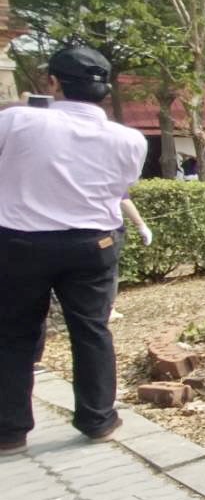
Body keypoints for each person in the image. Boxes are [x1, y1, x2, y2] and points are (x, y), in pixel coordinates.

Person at [1, 45, 146, 453]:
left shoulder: (16, 121)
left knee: (12, 334)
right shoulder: (128, 139)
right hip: (92, 243)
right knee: (91, 330)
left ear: (53, 81)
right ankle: (97, 419)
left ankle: (10, 430)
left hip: (20, 241)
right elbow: (120, 189)